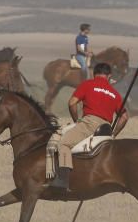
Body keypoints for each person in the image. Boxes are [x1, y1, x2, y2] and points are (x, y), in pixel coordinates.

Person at [52, 62, 129, 190]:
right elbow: (124, 117)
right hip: (106, 128)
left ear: (94, 74)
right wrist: (114, 134)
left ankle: (62, 180)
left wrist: (77, 120)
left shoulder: (87, 84)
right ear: (109, 76)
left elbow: (72, 103)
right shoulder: (114, 93)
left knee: (64, 143)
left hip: (89, 124)